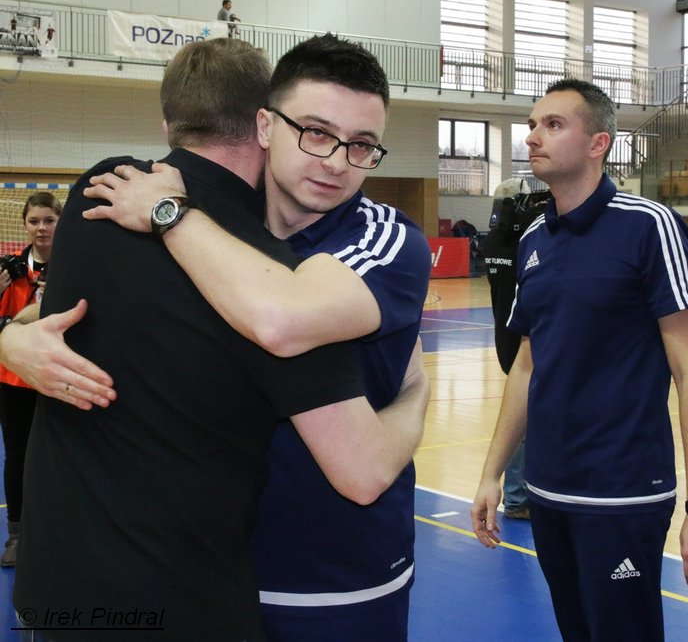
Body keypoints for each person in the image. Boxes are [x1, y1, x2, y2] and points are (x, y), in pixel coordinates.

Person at [2, 37, 428, 642]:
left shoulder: (310, 265)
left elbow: (281, 320)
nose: (336, 161)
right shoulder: (130, 197)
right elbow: (62, 311)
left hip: (325, 577)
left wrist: (417, 391)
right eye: (315, 132)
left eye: (362, 145)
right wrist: (12, 339)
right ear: (264, 126)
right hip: (200, 583)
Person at [470, 78, 688, 642]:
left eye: (553, 124)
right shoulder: (533, 238)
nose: (532, 136)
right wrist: (492, 473)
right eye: (532, 124)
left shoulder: (649, 226)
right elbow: (527, 366)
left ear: (597, 144)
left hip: (623, 491)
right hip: (548, 489)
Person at [481, 178, 549, 521]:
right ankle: (518, 497)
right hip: (525, 340)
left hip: (505, 339)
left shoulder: (491, 240)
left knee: (530, 419)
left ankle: (523, 493)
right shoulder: (525, 240)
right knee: (524, 421)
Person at [0, 192, 60, 567]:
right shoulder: (9, 270)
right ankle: (17, 535)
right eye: (35, 221)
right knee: (18, 455)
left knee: (62, 456)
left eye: (49, 220)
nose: (41, 228)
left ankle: (60, 532)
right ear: (24, 225)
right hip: (14, 379)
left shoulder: (76, 267)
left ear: (60, 223)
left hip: (58, 376)